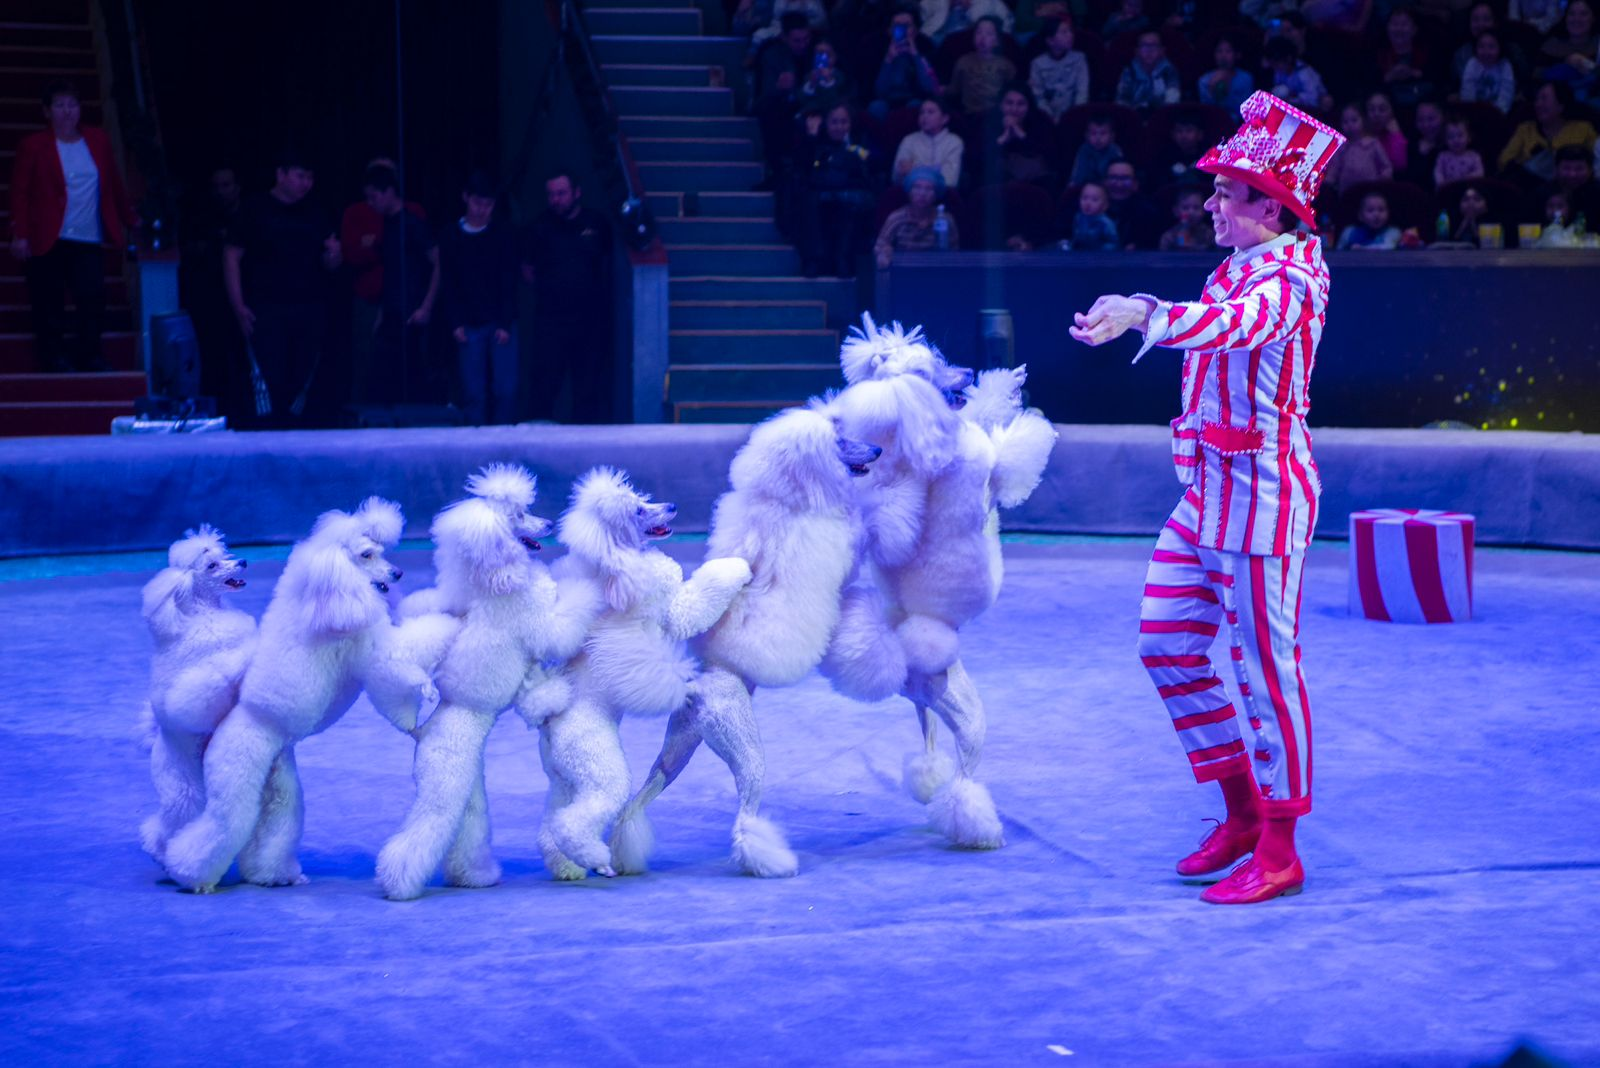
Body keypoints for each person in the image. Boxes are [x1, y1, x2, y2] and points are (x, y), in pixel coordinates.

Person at [1069, 91, 1346, 905]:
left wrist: (1143, 312)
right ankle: (1240, 813)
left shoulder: (1295, 278)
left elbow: (1233, 326)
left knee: (1266, 671)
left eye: (1228, 192)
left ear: (1273, 205)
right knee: (1165, 642)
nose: (1212, 201)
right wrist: (1145, 310)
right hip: (1206, 494)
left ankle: (1282, 845)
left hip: (1261, 499)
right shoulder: (1238, 264)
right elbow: (1221, 314)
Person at [7, 81, 138, 373]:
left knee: (92, 296)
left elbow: (113, 182)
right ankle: (53, 355)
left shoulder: (97, 140)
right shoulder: (34, 146)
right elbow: (20, 192)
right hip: (49, 234)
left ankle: (89, 353)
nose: (67, 112)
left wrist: (130, 219)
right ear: (47, 111)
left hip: (87, 235)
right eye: (60, 105)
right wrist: (20, 233)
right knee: (49, 300)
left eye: (72, 105)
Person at [224, 149, 342, 426]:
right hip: (266, 308)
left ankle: (300, 442)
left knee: (303, 378)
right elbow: (231, 255)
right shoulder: (254, 208)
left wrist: (334, 256)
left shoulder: (316, 211)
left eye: (310, 177)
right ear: (281, 174)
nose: (306, 183)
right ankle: (264, 441)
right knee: (267, 379)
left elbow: (331, 261)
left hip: (309, 307)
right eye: (300, 176)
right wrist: (238, 305)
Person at [522, 171, 613, 423]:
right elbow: (527, 269)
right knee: (544, 385)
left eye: (561, 193)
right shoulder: (539, 227)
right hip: (551, 322)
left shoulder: (596, 223)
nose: (556, 199)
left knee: (587, 389)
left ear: (576, 192)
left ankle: (585, 451)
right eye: (551, 194)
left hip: (589, 322)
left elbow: (606, 265)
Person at [341, 156, 426, 406]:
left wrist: (426, 305)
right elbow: (352, 253)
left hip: (408, 304)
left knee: (407, 364)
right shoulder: (358, 213)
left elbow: (433, 259)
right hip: (374, 301)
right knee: (370, 363)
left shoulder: (410, 217)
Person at [438, 172, 518, 425]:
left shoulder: (503, 233)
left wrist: (505, 322)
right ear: (466, 198)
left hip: (499, 320)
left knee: (505, 389)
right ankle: (476, 444)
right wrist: (456, 322)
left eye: (488, 204)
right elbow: (449, 282)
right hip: (468, 322)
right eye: (477, 203)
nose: (482, 210)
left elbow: (509, 280)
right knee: (473, 392)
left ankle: (503, 442)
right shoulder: (451, 235)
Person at [362, 164, 440, 405]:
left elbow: (439, 262)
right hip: (392, 311)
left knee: (411, 378)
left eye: (374, 196)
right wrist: (381, 313)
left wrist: (426, 307)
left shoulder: (412, 224)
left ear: (389, 192)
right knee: (383, 379)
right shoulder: (388, 225)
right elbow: (392, 273)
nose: (371, 203)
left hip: (412, 312)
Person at [796, 103, 876, 276]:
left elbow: (871, 167)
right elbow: (803, 166)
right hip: (820, 190)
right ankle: (814, 261)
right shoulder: (815, 141)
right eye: (834, 122)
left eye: (843, 122)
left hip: (851, 191)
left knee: (851, 204)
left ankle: (843, 260)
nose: (839, 127)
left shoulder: (860, 141)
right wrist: (811, 136)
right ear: (826, 123)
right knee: (810, 202)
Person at [1498, 81, 1599, 186]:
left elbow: (1596, 162)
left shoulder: (1583, 129)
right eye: (1537, 99)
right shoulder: (1526, 129)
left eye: (1544, 99)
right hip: (1531, 186)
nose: (1538, 104)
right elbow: (1504, 161)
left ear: (1561, 105)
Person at [874, 166, 960, 266]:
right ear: (909, 191)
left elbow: (955, 251)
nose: (922, 194)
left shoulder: (946, 220)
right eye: (917, 187)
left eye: (929, 188)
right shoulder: (896, 217)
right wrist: (884, 254)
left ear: (936, 194)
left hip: (936, 271)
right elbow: (880, 246)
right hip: (903, 270)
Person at [870, 8, 942, 118]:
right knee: (876, 107)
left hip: (915, 99)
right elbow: (879, 91)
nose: (902, 29)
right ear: (889, 30)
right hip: (888, 101)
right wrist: (888, 61)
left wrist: (915, 55)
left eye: (907, 25)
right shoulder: (879, 49)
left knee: (915, 106)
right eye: (897, 25)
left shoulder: (926, 47)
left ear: (915, 30)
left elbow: (930, 87)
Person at [947, 17, 1016, 115]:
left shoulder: (1005, 65)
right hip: (969, 114)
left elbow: (1012, 92)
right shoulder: (963, 61)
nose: (982, 37)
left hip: (995, 115)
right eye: (979, 32)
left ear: (996, 40)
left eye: (988, 34)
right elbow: (954, 90)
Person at [893, 96, 964, 188]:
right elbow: (897, 177)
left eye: (930, 112)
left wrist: (914, 169)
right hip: (912, 195)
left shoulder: (954, 142)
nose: (924, 116)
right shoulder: (909, 140)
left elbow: (950, 181)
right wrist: (936, 171)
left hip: (943, 197)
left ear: (944, 119)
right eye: (922, 112)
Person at [1029, 16, 1090, 122]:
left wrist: (1075, 115)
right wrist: (1049, 117)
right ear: (1050, 41)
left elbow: (1082, 92)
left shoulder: (1079, 59)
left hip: (1074, 115)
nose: (1070, 35)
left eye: (1070, 31)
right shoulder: (1037, 64)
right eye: (1064, 32)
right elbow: (1038, 96)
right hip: (1047, 117)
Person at [1322, 102, 1393, 194]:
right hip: (1347, 192)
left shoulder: (1373, 143)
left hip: (1370, 191)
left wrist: (1383, 178)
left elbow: (1386, 166)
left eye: (1354, 120)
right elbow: (1334, 169)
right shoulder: (1342, 147)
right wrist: (1326, 184)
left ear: (1362, 120)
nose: (1350, 125)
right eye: (1345, 122)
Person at [1102, 158, 1163, 248]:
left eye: (1125, 178)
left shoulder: (1149, 213)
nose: (1119, 184)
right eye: (1113, 177)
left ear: (1135, 183)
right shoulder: (1090, 209)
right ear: (1105, 181)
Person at [1115, 31, 1183, 110]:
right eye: (1144, 46)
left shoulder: (1169, 70)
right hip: (1134, 115)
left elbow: (1172, 101)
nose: (1149, 50)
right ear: (1137, 51)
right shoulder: (1129, 70)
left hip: (1161, 115)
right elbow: (1121, 100)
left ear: (1162, 51)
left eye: (1154, 46)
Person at [1263, 36, 1332, 114]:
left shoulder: (1304, 72)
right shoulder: (1279, 72)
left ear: (1288, 58)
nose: (1275, 66)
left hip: (1314, 111)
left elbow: (1313, 99)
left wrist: (1291, 99)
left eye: (1277, 62)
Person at [1198, 35, 1254, 117]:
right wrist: (1211, 89)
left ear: (1236, 54)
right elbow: (1206, 111)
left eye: (1228, 51)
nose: (1223, 56)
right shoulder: (1204, 80)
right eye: (1219, 51)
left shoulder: (1246, 79)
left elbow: (1246, 111)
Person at [1461, 31, 1516, 112]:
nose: (1486, 51)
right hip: (1474, 111)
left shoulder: (1505, 65)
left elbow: (1506, 93)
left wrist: (1498, 114)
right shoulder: (1472, 63)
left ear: (1500, 48)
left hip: (1498, 113)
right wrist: (1471, 112)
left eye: (1491, 47)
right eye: (1481, 46)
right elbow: (1467, 91)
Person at [1069, 116, 1125, 186]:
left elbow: (1120, 173)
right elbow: (1078, 174)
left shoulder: (1115, 151)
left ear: (1112, 136)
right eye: (1093, 133)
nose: (1098, 138)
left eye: (1103, 133)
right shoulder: (1084, 150)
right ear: (1086, 136)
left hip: (1110, 186)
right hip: (1087, 186)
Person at [1336, 190, 1403, 246]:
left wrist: (1361, 250)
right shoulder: (1349, 232)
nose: (1376, 214)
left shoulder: (1393, 232)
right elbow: (1338, 253)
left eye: (1381, 210)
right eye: (1370, 210)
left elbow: (1387, 247)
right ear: (1360, 216)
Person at [1434, 115, 1486, 186]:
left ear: (1469, 137)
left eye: (1460, 135)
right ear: (1445, 140)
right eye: (1451, 137)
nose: (1456, 140)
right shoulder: (1443, 156)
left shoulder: (1474, 156)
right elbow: (1438, 172)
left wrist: (1466, 178)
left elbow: (1480, 172)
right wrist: (1441, 182)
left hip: (1469, 187)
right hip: (1449, 188)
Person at [1069, 182, 1121, 248]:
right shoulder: (1078, 217)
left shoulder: (1105, 223)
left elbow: (1114, 243)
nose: (1087, 203)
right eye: (1084, 198)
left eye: (1094, 200)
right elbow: (1076, 238)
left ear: (1105, 206)